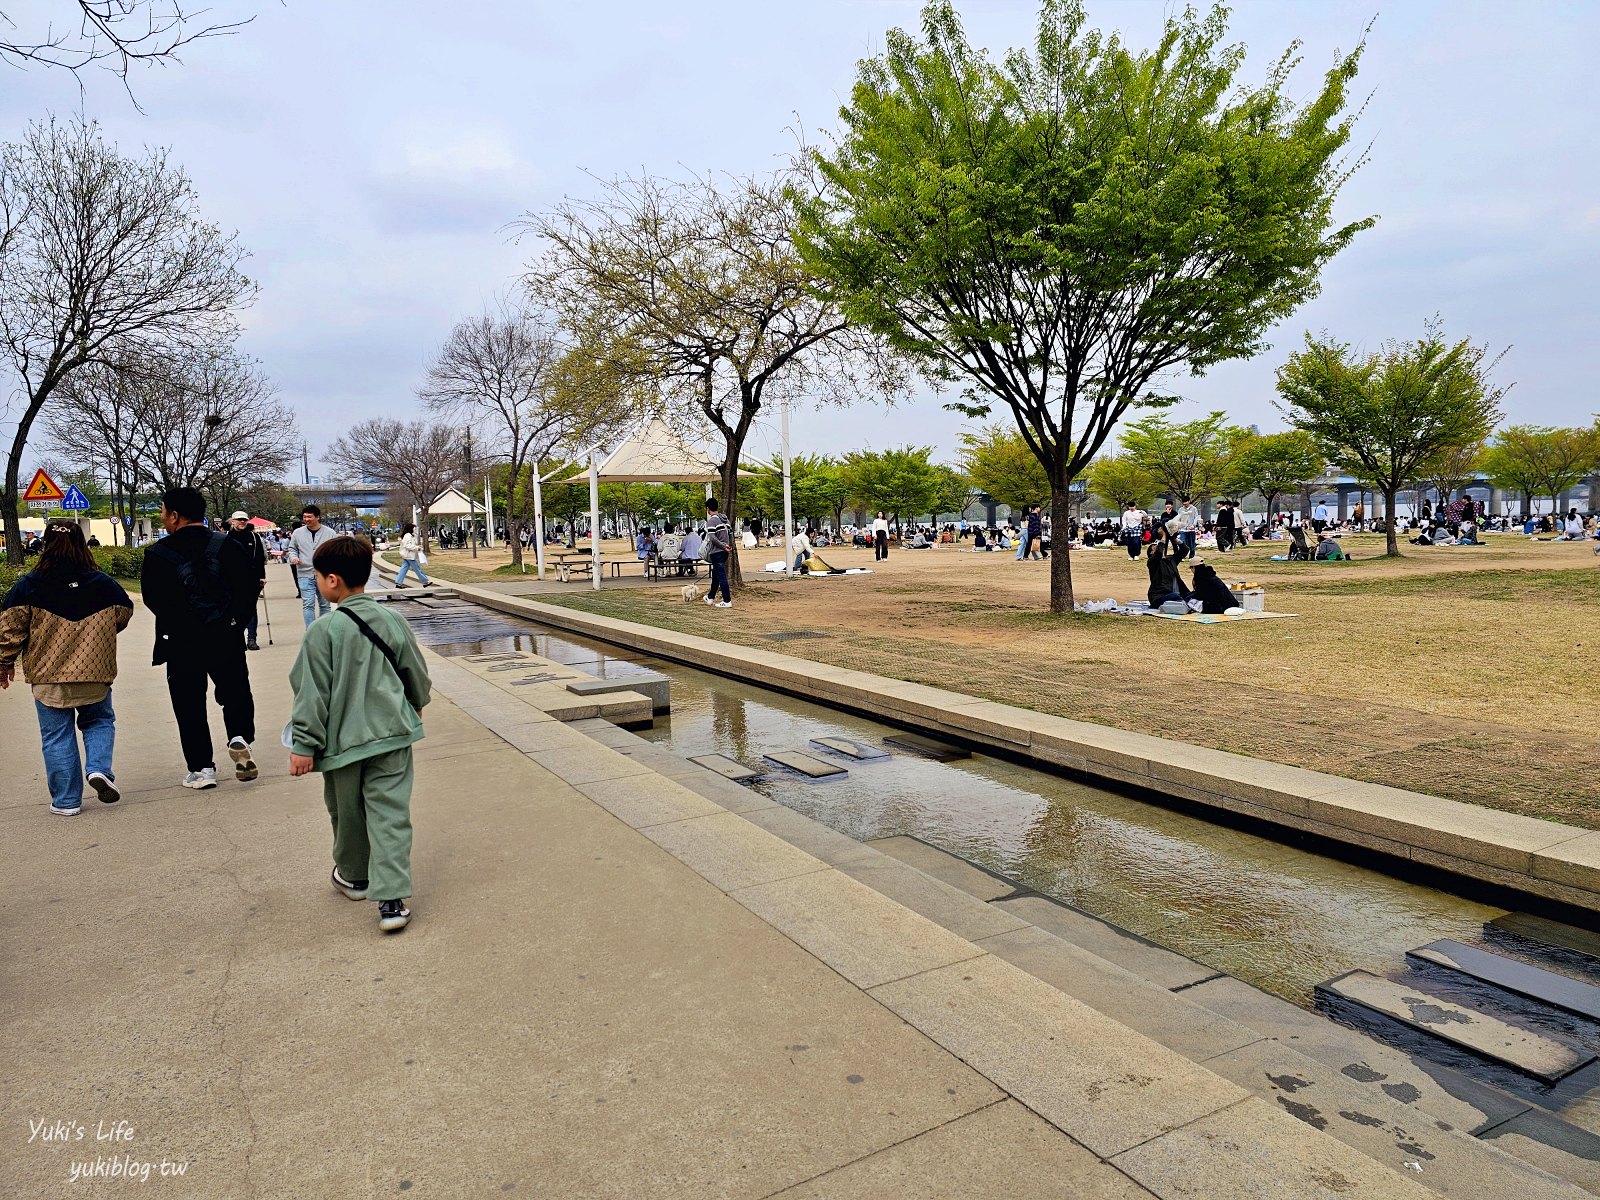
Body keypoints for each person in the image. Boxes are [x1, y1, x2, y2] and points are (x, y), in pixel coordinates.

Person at [288, 536, 431, 935]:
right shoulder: (393, 621)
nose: (316, 583)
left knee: (346, 812)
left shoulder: (323, 630)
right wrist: (415, 703)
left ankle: (355, 877)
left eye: (316, 577)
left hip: (342, 744)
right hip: (392, 735)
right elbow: (414, 671)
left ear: (332, 580)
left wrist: (304, 745)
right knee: (390, 815)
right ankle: (391, 900)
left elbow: (310, 694)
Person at [0, 521, 134, 815]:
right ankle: (98, 769)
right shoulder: (102, 583)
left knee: (56, 736)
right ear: (82, 544)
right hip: (95, 672)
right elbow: (122, 615)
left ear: (45, 544)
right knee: (98, 722)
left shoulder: (29, 585)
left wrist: (5, 662)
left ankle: (66, 801)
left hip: (49, 675)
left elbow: (10, 628)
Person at [140, 487, 260, 791]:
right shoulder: (229, 545)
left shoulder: (156, 554)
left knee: (189, 703)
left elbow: (153, 599)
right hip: (225, 634)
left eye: (164, 512)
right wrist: (234, 622)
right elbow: (247, 590)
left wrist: (181, 621)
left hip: (181, 640)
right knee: (234, 690)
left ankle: (202, 769)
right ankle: (239, 736)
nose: (163, 517)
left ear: (176, 516)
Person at [288, 505, 337, 625]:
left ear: (317, 517)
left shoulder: (330, 533)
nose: (306, 519)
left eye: (309, 517)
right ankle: (310, 631)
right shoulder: (297, 533)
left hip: (324, 575)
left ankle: (324, 631)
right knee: (308, 604)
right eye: (304, 517)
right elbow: (292, 548)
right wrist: (294, 558)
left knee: (325, 605)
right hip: (304, 573)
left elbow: (336, 551)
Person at [227, 511, 269, 651]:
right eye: (239, 520)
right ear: (232, 521)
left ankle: (252, 638)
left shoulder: (254, 537)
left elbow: (259, 559)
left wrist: (262, 576)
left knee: (251, 608)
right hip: (232, 579)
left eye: (244, 520)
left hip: (252, 578)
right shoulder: (226, 538)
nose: (242, 522)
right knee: (235, 609)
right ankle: (238, 637)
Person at [704, 497, 733, 609]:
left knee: (721, 576)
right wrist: (727, 545)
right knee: (716, 575)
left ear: (708, 509)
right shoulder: (725, 520)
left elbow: (712, 538)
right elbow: (730, 534)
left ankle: (727, 600)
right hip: (725, 551)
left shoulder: (712, 520)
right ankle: (710, 597)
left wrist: (722, 546)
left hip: (717, 552)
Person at [394, 523, 433, 588]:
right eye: (414, 528)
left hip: (407, 555)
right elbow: (407, 545)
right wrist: (417, 548)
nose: (415, 529)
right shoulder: (408, 536)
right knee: (417, 569)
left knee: (404, 569)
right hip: (409, 556)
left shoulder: (409, 535)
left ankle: (398, 582)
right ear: (411, 528)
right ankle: (425, 581)